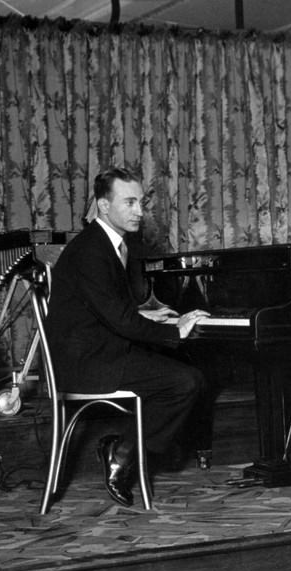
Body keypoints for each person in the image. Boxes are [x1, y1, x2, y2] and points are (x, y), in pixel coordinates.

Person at [45, 166, 209, 506]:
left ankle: (123, 446)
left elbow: (105, 309)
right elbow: (118, 320)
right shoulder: (92, 250)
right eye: (130, 202)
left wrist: (145, 316)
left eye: (142, 202)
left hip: (98, 349)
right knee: (185, 381)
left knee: (180, 367)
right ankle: (122, 450)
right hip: (86, 363)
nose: (139, 211)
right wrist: (173, 329)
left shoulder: (107, 244)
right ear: (104, 206)